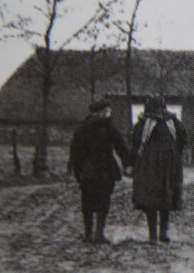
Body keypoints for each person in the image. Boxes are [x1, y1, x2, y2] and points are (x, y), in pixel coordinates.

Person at [68, 99, 131, 244]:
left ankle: (89, 234)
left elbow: (75, 152)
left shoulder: (82, 128)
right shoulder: (108, 128)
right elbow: (121, 146)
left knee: (87, 201)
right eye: (108, 111)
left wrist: (78, 169)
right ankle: (99, 234)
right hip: (104, 170)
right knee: (103, 201)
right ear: (101, 112)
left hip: (88, 170)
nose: (110, 113)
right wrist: (127, 163)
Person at [130, 95, 187, 243]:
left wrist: (133, 161)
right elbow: (184, 138)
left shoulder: (144, 122)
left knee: (151, 199)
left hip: (149, 165)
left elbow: (135, 141)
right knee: (166, 197)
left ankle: (153, 235)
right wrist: (175, 152)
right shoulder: (172, 121)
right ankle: (164, 233)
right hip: (170, 164)